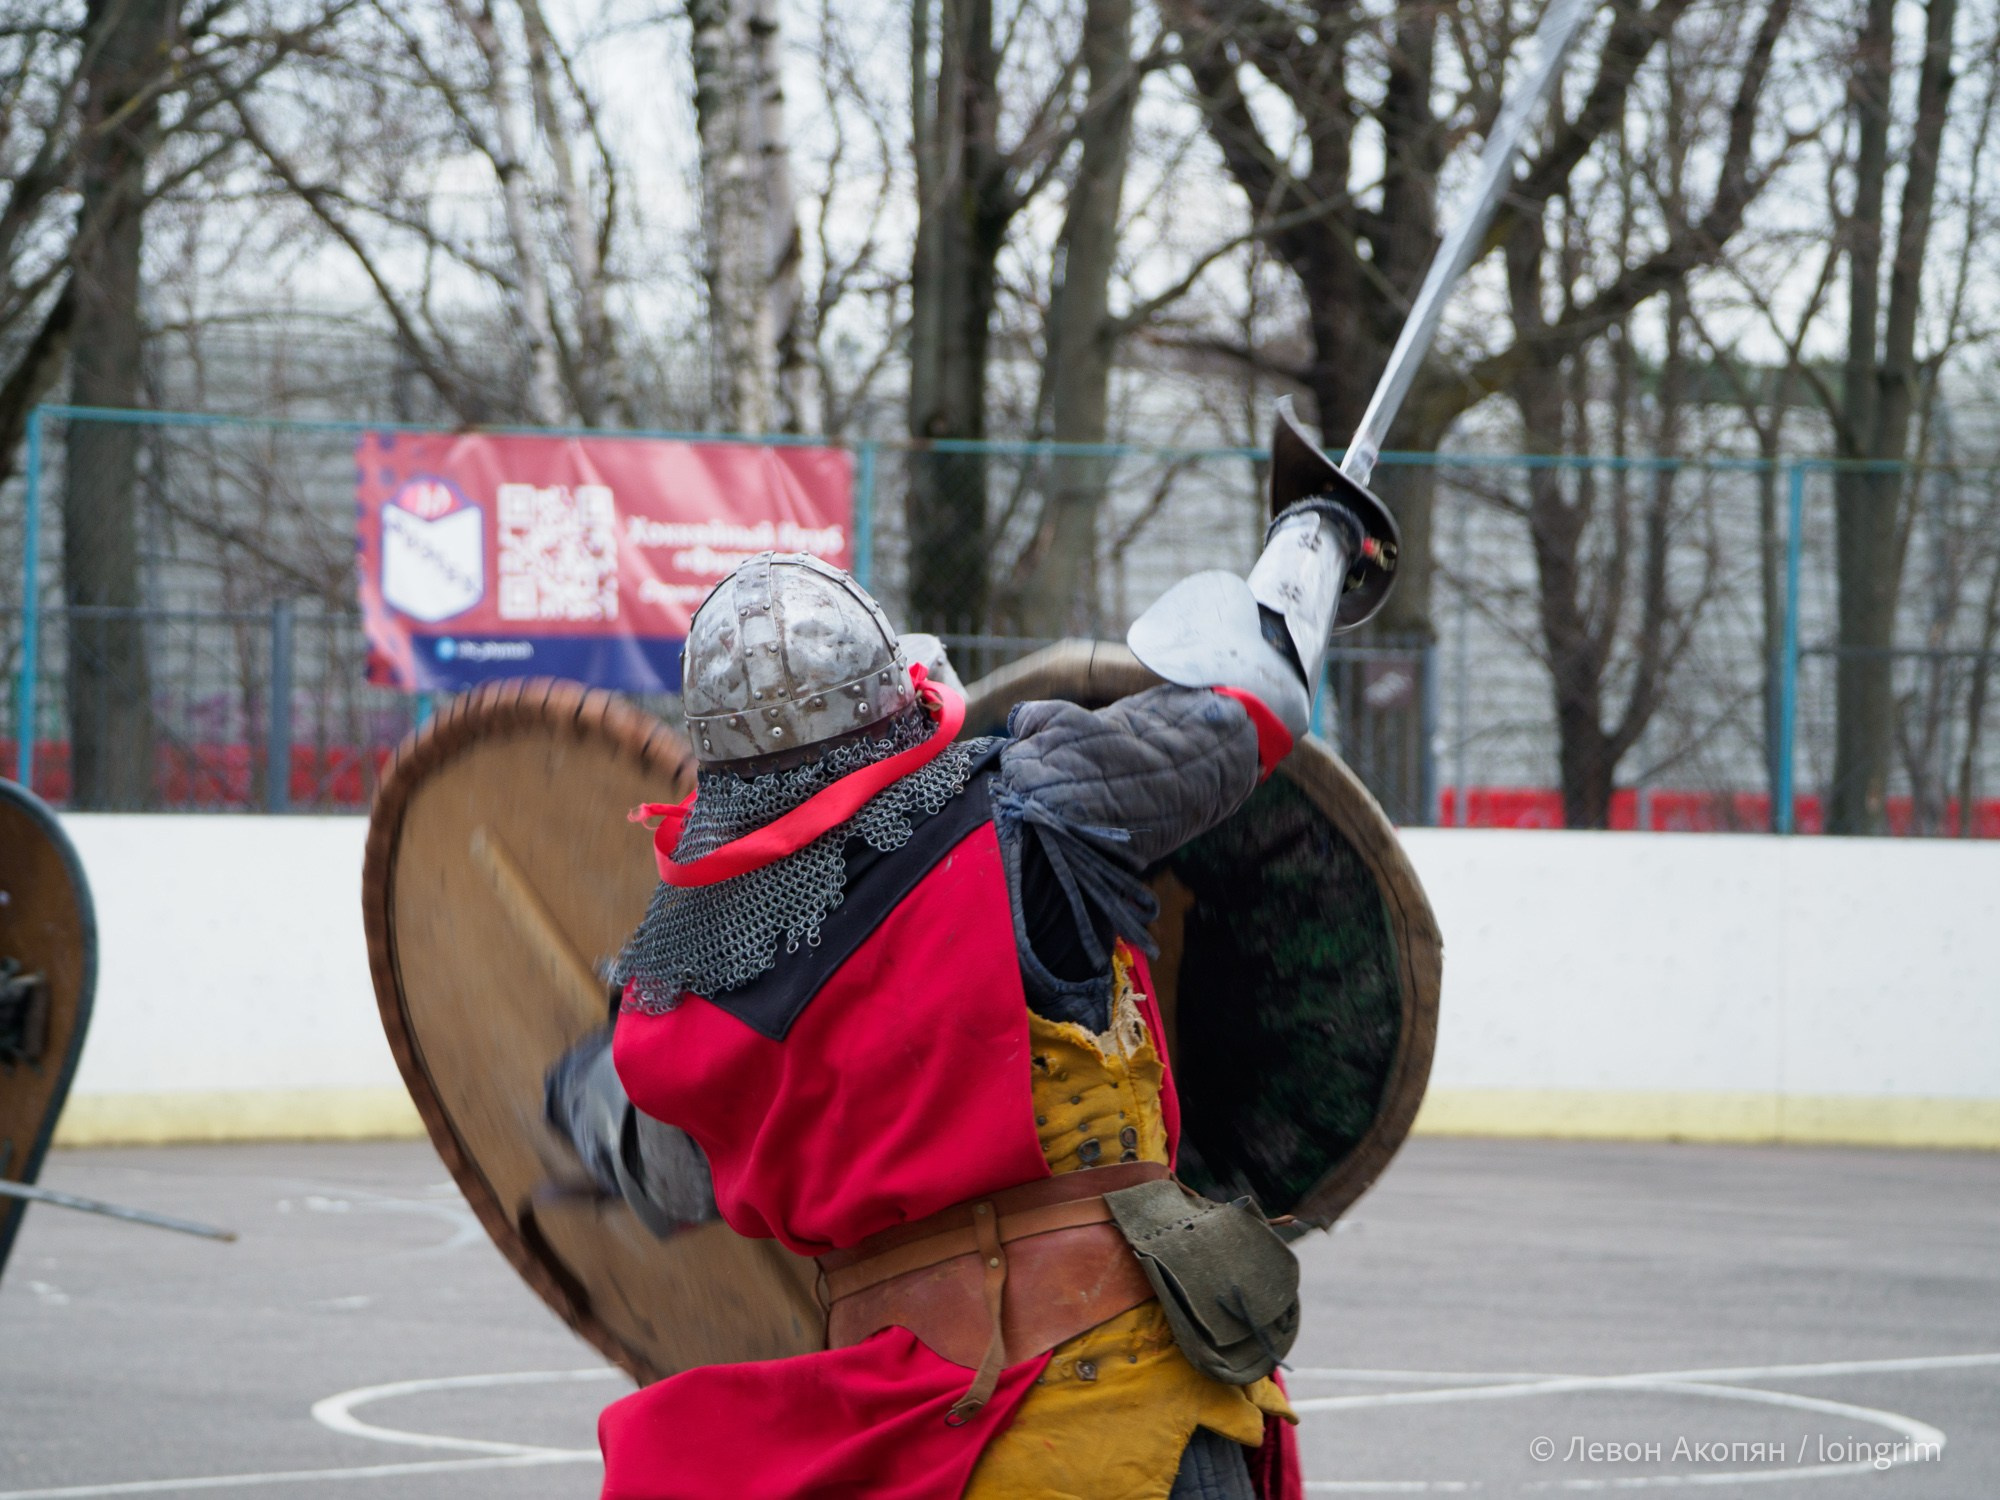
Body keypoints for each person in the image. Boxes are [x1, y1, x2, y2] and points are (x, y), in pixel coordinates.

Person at [546, 406, 1396, 1500]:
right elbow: (1252, 695)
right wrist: (1316, 532)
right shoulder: (1032, 810)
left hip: (907, 1447)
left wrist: (575, 1092)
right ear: (893, 695)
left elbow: (655, 1170)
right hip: (1119, 1419)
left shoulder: (678, 990)